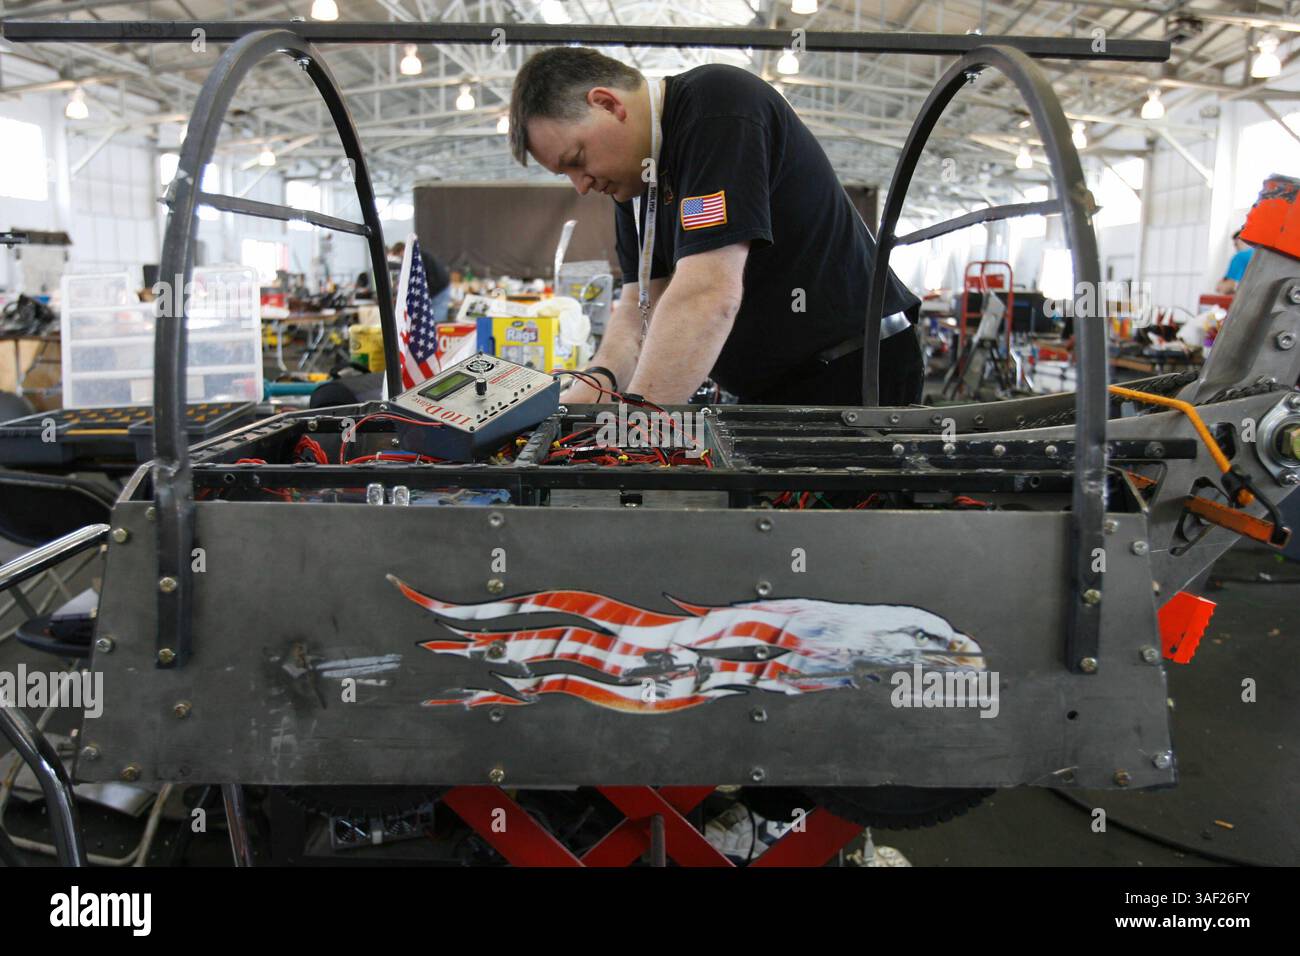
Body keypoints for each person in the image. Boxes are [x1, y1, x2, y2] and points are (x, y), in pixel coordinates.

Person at [508, 47, 922, 406]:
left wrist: (635, 429)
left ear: (608, 103)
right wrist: (587, 393)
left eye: (576, 159)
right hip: (774, 389)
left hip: (852, 374)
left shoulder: (719, 107)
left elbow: (708, 294)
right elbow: (638, 317)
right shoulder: (634, 187)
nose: (580, 186)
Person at [1216, 229, 1254, 295]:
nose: (1235, 247)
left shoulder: (1240, 256)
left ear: (1241, 241)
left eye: (1236, 244)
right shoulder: (1260, 255)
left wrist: (1221, 285)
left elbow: (1226, 287)